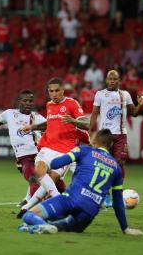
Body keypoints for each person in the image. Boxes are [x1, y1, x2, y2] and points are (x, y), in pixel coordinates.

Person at [18, 129, 143, 235]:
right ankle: (51, 226)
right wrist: (125, 228)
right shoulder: (116, 167)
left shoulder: (84, 150)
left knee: (29, 216)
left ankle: (42, 225)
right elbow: (117, 201)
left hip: (70, 200)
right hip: (88, 213)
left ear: (94, 142)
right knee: (65, 226)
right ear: (110, 145)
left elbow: (55, 163)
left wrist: (72, 154)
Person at [19, 78, 89, 215]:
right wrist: (32, 127)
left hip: (65, 150)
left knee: (50, 180)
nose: (54, 94)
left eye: (57, 91)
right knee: (39, 172)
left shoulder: (72, 104)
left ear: (63, 90)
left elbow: (86, 124)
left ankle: (27, 207)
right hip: (48, 146)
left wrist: (73, 121)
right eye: (51, 91)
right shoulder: (49, 105)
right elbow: (49, 124)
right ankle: (59, 202)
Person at [89, 70, 143, 179]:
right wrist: (90, 131)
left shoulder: (125, 94)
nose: (112, 81)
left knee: (120, 163)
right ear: (106, 80)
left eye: (115, 79)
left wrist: (140, 105)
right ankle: (103, 191)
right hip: (105, 135)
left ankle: (118, 190)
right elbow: (94, 114)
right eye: (110, 79)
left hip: (120, 135)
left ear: (119, 81)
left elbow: (134, 113)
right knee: (103, 163)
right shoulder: (100, 94)